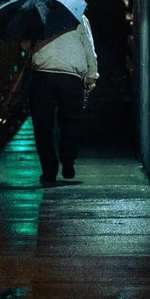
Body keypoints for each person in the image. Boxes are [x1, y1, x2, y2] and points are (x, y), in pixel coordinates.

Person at [21, 13, 98, 185]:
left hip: (43, 75)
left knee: (43, 125)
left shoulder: (38, 16)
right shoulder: (80, 17)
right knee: (71, 121)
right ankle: (68, 160)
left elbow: (27, 46)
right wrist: (92, 75)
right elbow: (88, 46)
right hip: (71, 77)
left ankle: (49, 171)